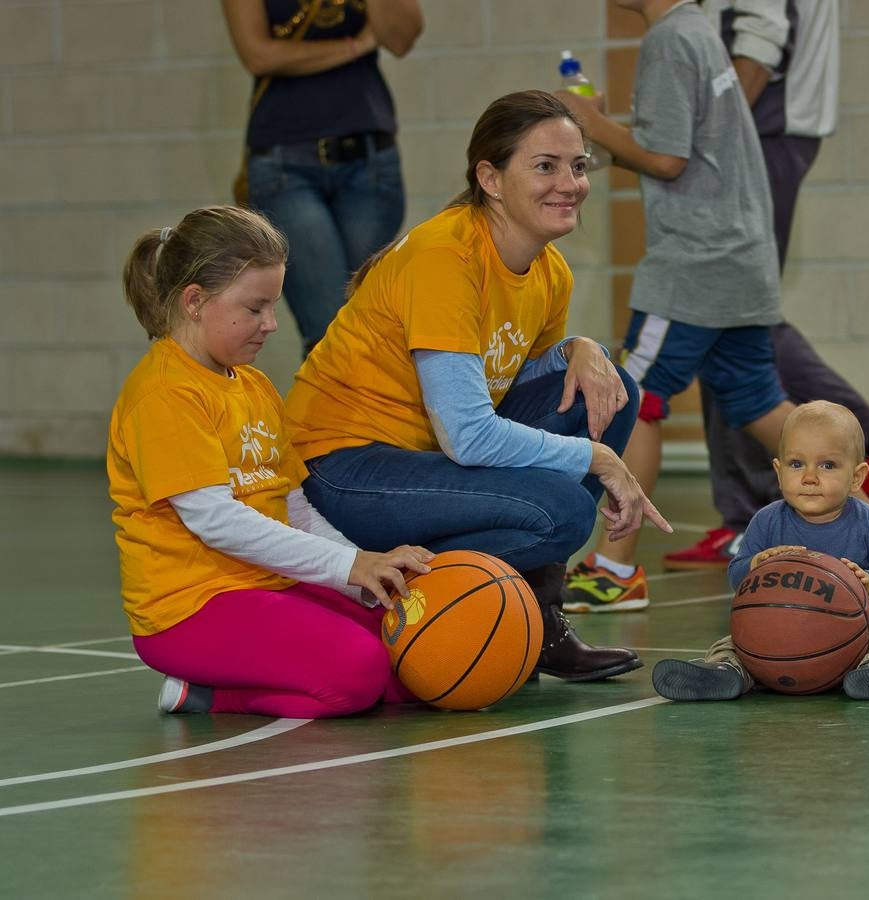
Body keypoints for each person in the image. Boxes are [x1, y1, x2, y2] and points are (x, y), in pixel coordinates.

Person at [284, 90, 670, 683]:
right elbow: (468, 435)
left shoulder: (549, 269)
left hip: (424, 451)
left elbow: (517, 374)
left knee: (610, 390)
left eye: (578, 165)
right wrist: (595, 459)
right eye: (545, 166)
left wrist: (579, 351)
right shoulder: (445, 257)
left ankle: (538, 621)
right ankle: (394, 600)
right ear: (490, 178)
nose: (569, 182)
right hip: (345, 465)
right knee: (563, 510)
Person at [109, 206, 436, 718]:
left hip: (264, 582)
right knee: (358, 674)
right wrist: (348, 565)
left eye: (273, 306)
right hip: (189, 607)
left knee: (419, 654)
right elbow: (219, 523)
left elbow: (290, 501)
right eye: (255, 307)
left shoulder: (253, 383)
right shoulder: (164, 394)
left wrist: (363, 575)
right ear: (194, 301)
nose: (271, 324)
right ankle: (206, 693)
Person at [663, 0, 869, 574]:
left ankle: (768, 505)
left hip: (757, 132)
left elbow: (760, 34)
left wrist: (710, 136)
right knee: (730, 317)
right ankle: (758, 507)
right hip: (760, 130)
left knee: (729, 317)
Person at [554, 0, 796, 614]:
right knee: (756, 398)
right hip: (738, 257)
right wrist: (604, 131)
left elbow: (667, 160)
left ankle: (613, 568)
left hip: (695, 264)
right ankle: (868, 515)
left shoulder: (667, 40)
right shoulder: (698, 32)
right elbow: (673, 147)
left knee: (630, 399)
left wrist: (584, 121)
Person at [651, 401, 869, 701]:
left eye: (827, 465)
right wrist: (754, 565)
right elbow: (735, 575)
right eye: (796, 464)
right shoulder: (767, 520)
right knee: (734, 644)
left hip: (857, 635)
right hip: (774, 636)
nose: (809, 477)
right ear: (778, 470)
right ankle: (723, 673)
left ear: (856, 477)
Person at [223, 0, 423, 354]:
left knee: (371, 321)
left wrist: (309, 55)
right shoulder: (355, 45)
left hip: (369, 159)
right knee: (327, 332)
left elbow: (401, 38)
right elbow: (259, 55)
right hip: (286, 164)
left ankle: (372, 408)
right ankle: (337, 407)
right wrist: (356, 46)